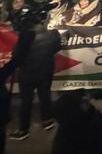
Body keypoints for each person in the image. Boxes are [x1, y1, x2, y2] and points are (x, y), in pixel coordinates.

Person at [1, 10, 62, 141]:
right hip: (46, 71)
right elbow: (57, 48)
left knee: (26, 102)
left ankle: (23, 129)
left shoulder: (24, 37)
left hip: (28, 74)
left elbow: (17, 56)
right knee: (45, 96)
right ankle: (47, 120)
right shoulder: (53, 33)